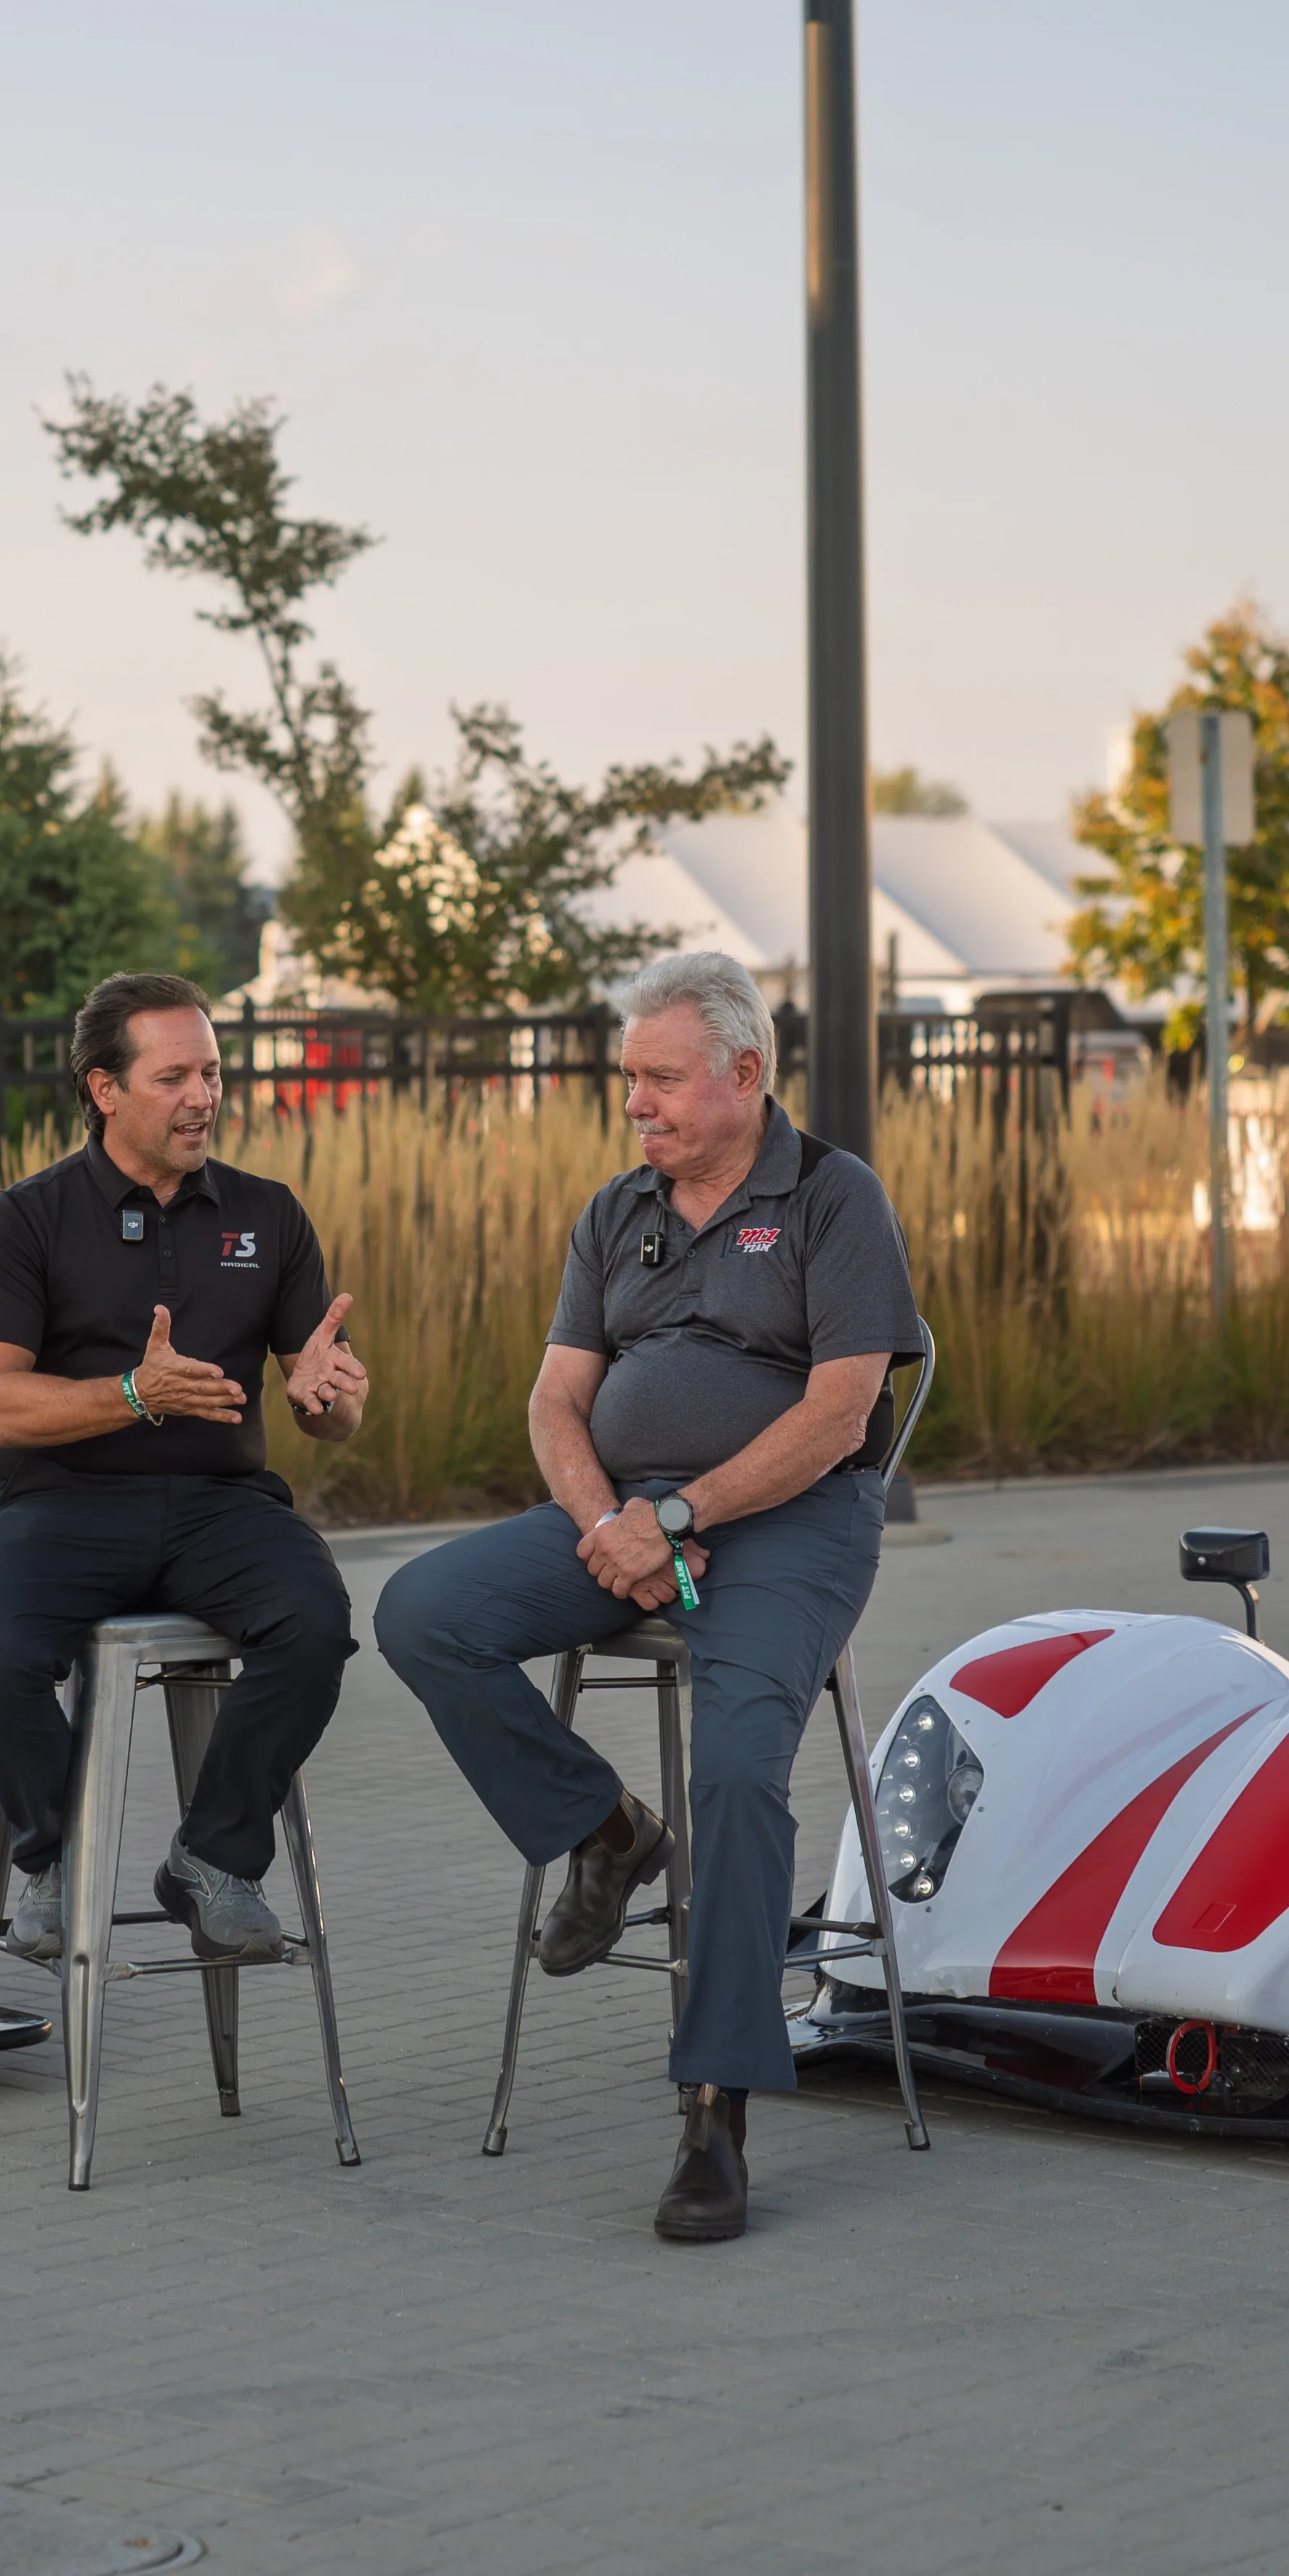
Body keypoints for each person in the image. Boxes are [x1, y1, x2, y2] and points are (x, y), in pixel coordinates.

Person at [374, 951, 915, 2242]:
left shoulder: (836, 1201)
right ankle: (607, 1833)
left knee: (736, 1767)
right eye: (630, 1080)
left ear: (744, 1074)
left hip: (786, 1522)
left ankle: (716, 2104)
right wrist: (608, 1524)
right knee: (421, 1614)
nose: (637, 1105)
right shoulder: (621, 1211)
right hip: (622, 1517)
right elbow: (558, 1397)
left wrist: (680, 1516)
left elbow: (840, 1418)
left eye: (662, 1080)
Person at [0, 970, 371, 1971]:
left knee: (316, 1626)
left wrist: (331, 1395)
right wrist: (134, 1396)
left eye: (213, 1074)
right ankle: (59, 1856)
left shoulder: (268, 1215)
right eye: (174, 1076)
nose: (203, 1097)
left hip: (224, 1508)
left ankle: (212, 1859)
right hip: (62, 1505)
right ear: (104, 1089)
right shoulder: (29, 1219)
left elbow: (335, 1415)